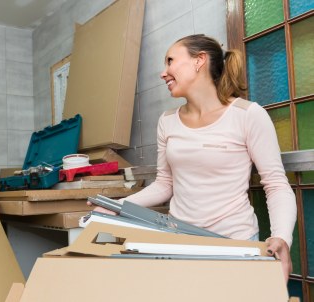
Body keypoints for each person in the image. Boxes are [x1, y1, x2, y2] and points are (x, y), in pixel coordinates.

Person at [91, 34, 297, 282]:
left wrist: (282, 237)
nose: (163, 73)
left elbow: (276, 185)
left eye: (170, 61)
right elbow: (164, 185)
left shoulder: (247, 115)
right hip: (180, 243)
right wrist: (117, 208)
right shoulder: (167, 120)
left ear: (199, 60)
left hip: (234, 244)